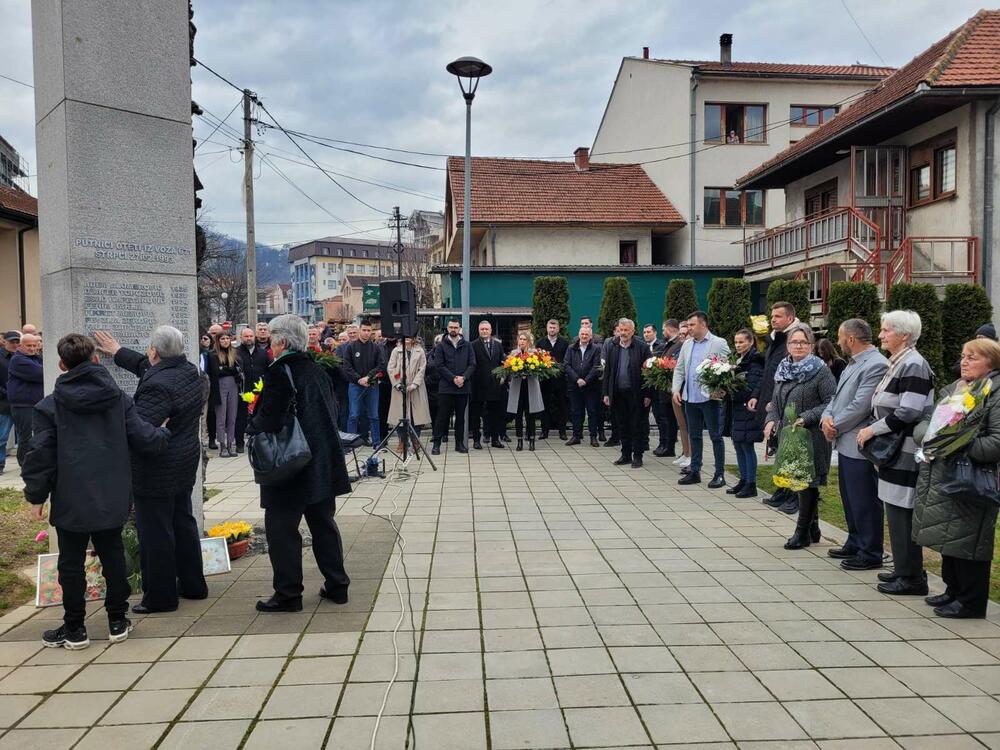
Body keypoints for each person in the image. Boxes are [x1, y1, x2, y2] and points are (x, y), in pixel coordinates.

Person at [22, 334, 170, 649]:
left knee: (71, 562)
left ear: (62, 365)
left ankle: (75, 627)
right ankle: (117, 619)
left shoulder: (48, 406)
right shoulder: (118, 400)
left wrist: (36, 496)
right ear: (95, 359)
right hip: (111, 493)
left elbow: (40, 455)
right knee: (112, 554)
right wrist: (164, 432)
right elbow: (144, 438)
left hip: (70, 495)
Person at [95, 326, 209, 615]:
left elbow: (142, 434)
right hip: (184, 461)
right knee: (183, 522)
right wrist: (118, 352)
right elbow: (148, 368)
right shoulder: (189, 371)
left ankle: (160, 597)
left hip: (157, 467)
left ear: (154, 351)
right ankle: (193, 585)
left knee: (155, 532)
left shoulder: (157, 384)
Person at [247, 315, 352, 612]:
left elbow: (270, 418)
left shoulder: (280, 372)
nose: (270, 345)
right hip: (321, 461)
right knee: (323, 525)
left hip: (290, 464)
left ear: (282, 341)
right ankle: (337, 585)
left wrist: (252, 425)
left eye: (271, 339)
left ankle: (288, 594)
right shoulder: (316, 369)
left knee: (281, 530)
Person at [912, 338, 1000, 618]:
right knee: (948, 535)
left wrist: (954, 443)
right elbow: (927, 423)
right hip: (943, 472)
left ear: (991, 363)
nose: (964, 362)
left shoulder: (994, 393)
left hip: (972, 477)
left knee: (969, 538)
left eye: (972, 357)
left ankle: (971, 601)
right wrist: (931, 437)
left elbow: (996, 442)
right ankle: (953, 590)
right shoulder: (955, 389)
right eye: (963, 356)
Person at [857, 310, 935, 596]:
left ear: (904, 335)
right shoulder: (899, 361)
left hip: (905, 449)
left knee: (902, 511)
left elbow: (909, 410)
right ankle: (903, 568)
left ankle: (912, 576)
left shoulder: (913, 364)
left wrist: (872, 430)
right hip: (895, 449)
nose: (880, 335)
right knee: (895, 509)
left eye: (886, 330)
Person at [820, 319, 888, 570]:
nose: (838, 342)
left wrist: (834, 425)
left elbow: (861, 405)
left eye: (840, 337)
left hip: (859, 442)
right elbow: (836, 398)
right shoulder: (853, 363)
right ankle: (855, 540)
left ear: (850, 339)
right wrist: (826, 418)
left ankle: (870, 551)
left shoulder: (876, 364)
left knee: (864, 499)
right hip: (845, 441)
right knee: (850, 497)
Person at [765, 326, 837, 549]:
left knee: (806, 482)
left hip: (811, 435)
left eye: (803, 342)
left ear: (811, 346)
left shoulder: (820, 370)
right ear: (787, 345)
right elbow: (776, 401)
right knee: (798, 481)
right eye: (794, 342)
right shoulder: (783, 369)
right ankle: (813, 529)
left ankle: (801, 532)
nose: (798, 346)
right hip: (789, 436)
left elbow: (831, 401)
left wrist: (806, 417)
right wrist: (770, 420)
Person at [749, 302, 809, 512]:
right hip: (773, 402)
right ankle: (783, 490)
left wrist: (778, 401)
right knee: (781, 450)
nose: (773, 319)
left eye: (778, 316)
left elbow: (796, 378)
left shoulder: (796, 339)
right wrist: (757, 395)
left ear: (790, 318)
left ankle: (795, 496)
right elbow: (769, 371)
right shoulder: (777, 338)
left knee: (793, 452)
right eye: (772, 316)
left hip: (790, 407)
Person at [672, 312, 731, 487]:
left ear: (703, 324)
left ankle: (719, 474)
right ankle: (695, 471)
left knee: (715, 436)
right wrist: (676, 389)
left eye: (692, 325)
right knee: (694, 435)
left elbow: (728, 367)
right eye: (688, 325)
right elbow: (680, 369)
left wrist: (721, 388)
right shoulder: (687, 344)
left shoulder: (718, 343)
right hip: (690, 398)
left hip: (710, 398)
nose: (689, 328)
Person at [602, 319, 652, 468]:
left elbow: (649, 373)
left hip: (637, 394)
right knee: (622, 425)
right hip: (618, 393)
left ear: (632, 331)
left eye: (626, 330)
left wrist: (648, 395)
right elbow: (608, 371)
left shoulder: (642, 347)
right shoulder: (613, 347)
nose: (623, 333)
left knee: (637, 426)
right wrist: (606, 393)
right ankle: (625, 455)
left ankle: (637, 456)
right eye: (621, 330)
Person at [727, 328, 764, 498]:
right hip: (737, 408)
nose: (738, 345)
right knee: (738, 445)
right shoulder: (737, 360)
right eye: (736, 342)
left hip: (748, 408)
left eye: (741, 342)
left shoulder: (755, 361)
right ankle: (743, 480)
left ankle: (751, 483)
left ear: (750, 342)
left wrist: (733, 391)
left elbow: (752, 386)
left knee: (747, 446)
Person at [430, 319, 476, 454]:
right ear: (447, 328)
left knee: (460, 418)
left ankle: (459, 444)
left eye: (456, 327)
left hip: (463, 387)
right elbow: (439, 365)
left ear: (459, 329)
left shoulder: (467, 345)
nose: (453, 329)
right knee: (442, 417)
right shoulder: (441, 346)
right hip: (446, 387)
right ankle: (436, 444)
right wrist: (453, 378)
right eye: (451, 327)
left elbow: (472, 364)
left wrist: (464, 377)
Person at [341, 320, 387, 447]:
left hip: (372, 385)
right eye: (364, 330)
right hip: (355, 385)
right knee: (354, 415)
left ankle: (376, 443)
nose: (366, 333)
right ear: (359, 330)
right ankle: (350, 444)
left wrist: (368, 377)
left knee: (374, 415)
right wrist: (359, 379)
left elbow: (381, 365)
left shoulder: (376, 347)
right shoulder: (350, 347)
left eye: (369, 331)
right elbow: (347, 367)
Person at [387, 337, 430, 451]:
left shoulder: (420, 351)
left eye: (409, 336)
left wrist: (415, 384)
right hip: (399, 387)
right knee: (400, 414)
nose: (407, 338)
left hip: (416, 388)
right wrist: (397, 384)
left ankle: (415, 440)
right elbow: (390, 368)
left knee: (416, 415)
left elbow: (422, 368)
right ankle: (402, 440)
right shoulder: (396, 351)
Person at [8, 332, 43, 467]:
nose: (32, 348)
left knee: (37, 435)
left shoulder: (36, 358)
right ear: (20, 346)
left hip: (36, 403)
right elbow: (40, 373)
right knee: (26, 436)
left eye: (34, 345)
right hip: (24, 405)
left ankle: (34, 463)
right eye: (29, 345)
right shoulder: (18, 360)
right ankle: (24, 464)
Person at [506, 331, 545, 451]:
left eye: (524, 339)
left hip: (530, 387)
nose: (522, 341)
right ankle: (519, 441)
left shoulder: (534, 353)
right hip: (517, 387)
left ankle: (532, 440)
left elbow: (540, 369)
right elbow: (508, 368)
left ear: (528, 342)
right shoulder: (514, 353)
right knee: (518, 415)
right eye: (520, 339)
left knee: (530, 415)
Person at [206, 331, 243, 458]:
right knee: (221, 417)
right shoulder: (213, 355)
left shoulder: (234, 353)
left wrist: (226, 369)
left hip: (233, 386)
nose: (225, 341)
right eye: (222, 339)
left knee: (232, 417)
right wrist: (230, 370)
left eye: (227, 338)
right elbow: (216, 371)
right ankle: (222, 445)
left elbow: (238, 369)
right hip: (219, 386)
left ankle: (230, 444)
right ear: (218, 341)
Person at [470, 321, 505, 449]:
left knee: (495, 414)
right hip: (478, 385)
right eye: (482, 329)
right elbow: (471, 364)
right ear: (479, 330)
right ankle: (476, 440)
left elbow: (502, 362)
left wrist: (503, 377)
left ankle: (495, 439)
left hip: (494, 385)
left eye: (486, 329)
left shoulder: (498, 345)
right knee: (476, 415)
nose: (484, 331)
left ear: (490, 331)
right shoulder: (473, 345)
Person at [565, 325, 602, 446]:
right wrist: (577, 379)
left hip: (591, 386)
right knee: (576, 412)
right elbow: (567, 365)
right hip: (574, 386)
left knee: (592, 411)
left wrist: (586, 380)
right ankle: (576, 436)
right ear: (579, 335)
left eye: (587, 334)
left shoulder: (596, 349)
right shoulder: (571, 348)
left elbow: (596, 367)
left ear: (591, 336)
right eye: (582, 334)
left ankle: (593, 437)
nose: (584, 336)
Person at [235, 328, 269, 454]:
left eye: (251, 336)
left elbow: (268, 370)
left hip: (259, 391)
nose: (249, 338)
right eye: (246, 336)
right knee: (240, 418)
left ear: (254, 337)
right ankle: (239, 443)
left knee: (259, 417)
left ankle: (259, 443)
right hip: (242, 390)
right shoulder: (235, 352)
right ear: (241, 337)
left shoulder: (263, 353)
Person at [652, 320, 680, 457]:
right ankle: (665, 445)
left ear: (670, 329)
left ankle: (669, 447)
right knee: (665, 418)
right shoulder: (668, 344)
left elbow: (673, 364)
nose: (663, 332)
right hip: (664, 388)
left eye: (664, 329)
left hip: (670, 388)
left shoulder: (678, 344)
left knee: (670, 419)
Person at [537, 319, 569, 440]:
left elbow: (567, 360)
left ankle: (562, 432)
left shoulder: (564, 343)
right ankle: (544, 431)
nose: (552, 329)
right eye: (550, 327)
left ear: (558, 329)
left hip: (560, 381)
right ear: (547, 328)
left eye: (554, 327)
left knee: (562, 406)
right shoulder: (540, 343)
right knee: (544, 405)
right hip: (545, 380)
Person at [667, 321, 691, 467]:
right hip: (677, 390)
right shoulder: (677, 348)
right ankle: (685, 453)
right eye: (680, 334)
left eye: (684, 334)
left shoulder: (691, 348)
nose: (681, 336)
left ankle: (691, 455)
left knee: (689, 425)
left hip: (687, 391)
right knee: (681, 425)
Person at [0, 331, 18, 474]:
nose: (15, 344)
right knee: (2, 436)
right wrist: (7, 393)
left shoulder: (21, 357)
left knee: (25, 435)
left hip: (21, 402)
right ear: (4, 341)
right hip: (4, 402)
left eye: (17, 342)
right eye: (12, 342)